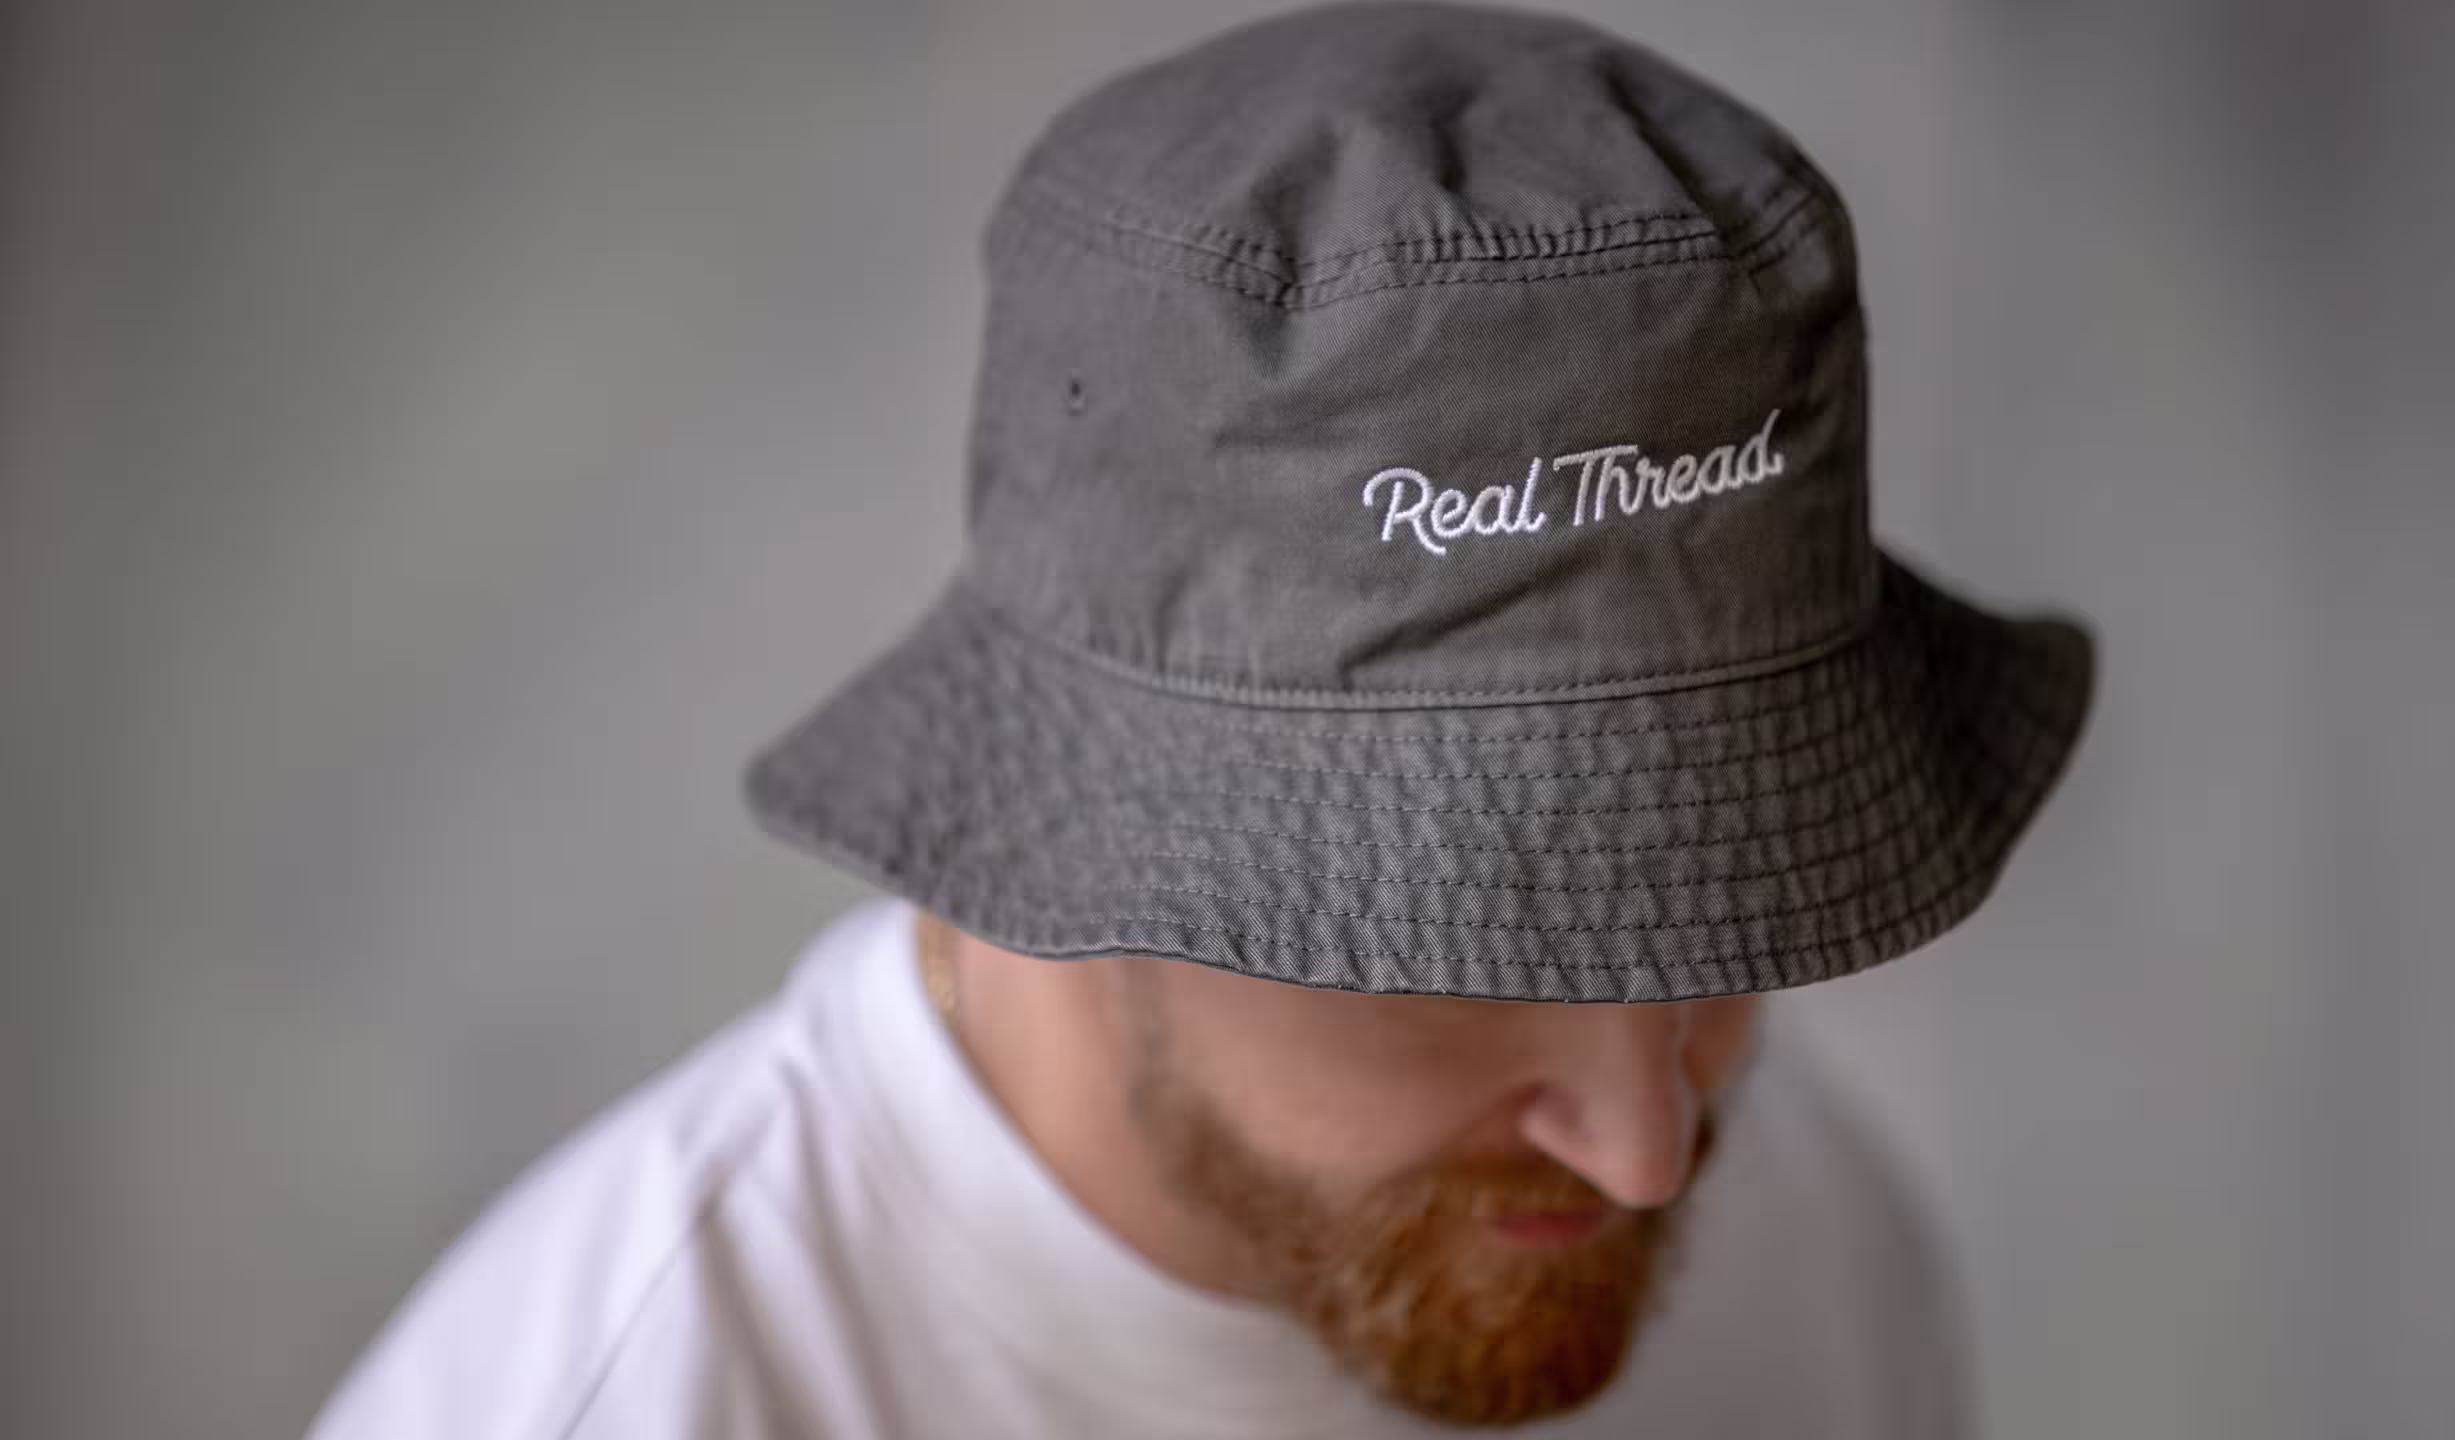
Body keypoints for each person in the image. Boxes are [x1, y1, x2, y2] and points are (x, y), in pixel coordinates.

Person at [305, 3, 2096, 1436]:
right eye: (1469, 942)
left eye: (1722, 899)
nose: (1646, 1147)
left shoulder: (1816, 1249)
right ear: (1082, 828)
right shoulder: (655, 1383)